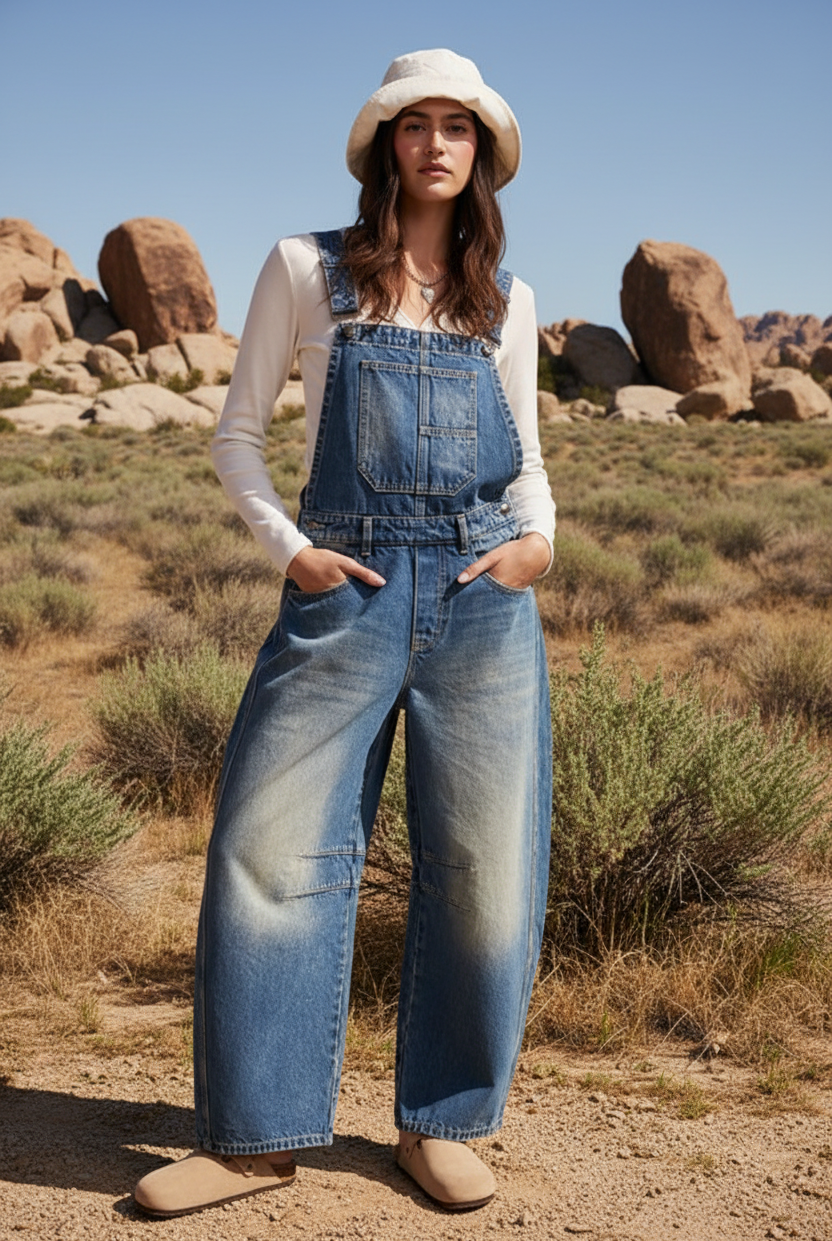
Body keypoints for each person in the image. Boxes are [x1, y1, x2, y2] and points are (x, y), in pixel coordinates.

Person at [133, 47, 555, 1219]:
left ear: (479, 155)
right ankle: (256, 1136)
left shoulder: (502, 300)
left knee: (485, 871)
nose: (434, 143)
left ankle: (443, 1121)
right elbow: (235, 437)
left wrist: (540, 545)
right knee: (268, 852)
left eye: (455, 127)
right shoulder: (303, 269)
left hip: (482, 605)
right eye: (412, 124)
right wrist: (292, 550)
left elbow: (527, 463)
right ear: (382, 145)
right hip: (344, 593)